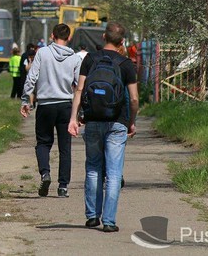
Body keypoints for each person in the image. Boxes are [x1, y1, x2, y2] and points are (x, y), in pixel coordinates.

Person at [68, 22, 139, 233]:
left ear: (103, 37)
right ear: (122, 42)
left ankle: (92, 216)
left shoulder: (90, 59)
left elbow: (79, 90)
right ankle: (109, 221)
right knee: (114, 173)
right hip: (118, 122)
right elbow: (134, 99)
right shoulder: (126, 64)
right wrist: (131, 121)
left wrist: (73, 118)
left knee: (93, 167)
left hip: (92, 120)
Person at [20, 24, 82, 198]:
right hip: (66, 106)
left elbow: (31, 78)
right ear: (69, 38)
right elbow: (79, 85)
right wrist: (80, 111)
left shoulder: (42, 53)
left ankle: (45, 174)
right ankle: (63, 186)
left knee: (43, 143)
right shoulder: (75, 58)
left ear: (52, 36)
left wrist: (25, 100)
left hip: (45, 105)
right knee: (65, 147)